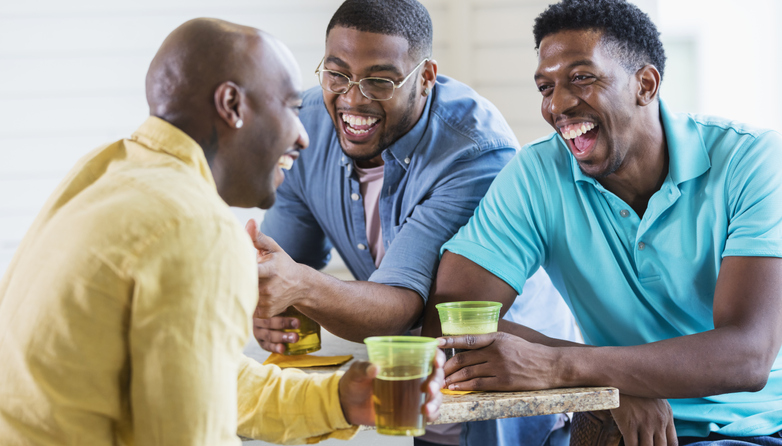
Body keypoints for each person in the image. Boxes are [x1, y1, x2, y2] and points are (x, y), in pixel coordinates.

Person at [0, 18, 444, 445]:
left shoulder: (104, 171)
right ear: (232, 105)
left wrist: (338, 400)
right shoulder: (196, 227)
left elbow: (199, 382)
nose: (304, 136)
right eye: (291, 108)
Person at [421, 0, 782, 445]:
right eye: (545, 87)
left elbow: (746, 356)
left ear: (645, 84)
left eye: (581, 78)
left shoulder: (754, 160)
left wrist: (564, 368)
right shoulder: (537, 174)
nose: (557, 105)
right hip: (615, 427)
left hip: (751, 429)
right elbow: (448, 320)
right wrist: (610, 387)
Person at [246, 1, 579, 445]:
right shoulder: (305, 126)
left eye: (380, 80)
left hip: (512, 402)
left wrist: (299, 286)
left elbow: (397, 309)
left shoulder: (474, 151)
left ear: (424, 77)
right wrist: (269, 303)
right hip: (421, 401)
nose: (352, 98)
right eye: (336, 74)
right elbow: (288, 265)